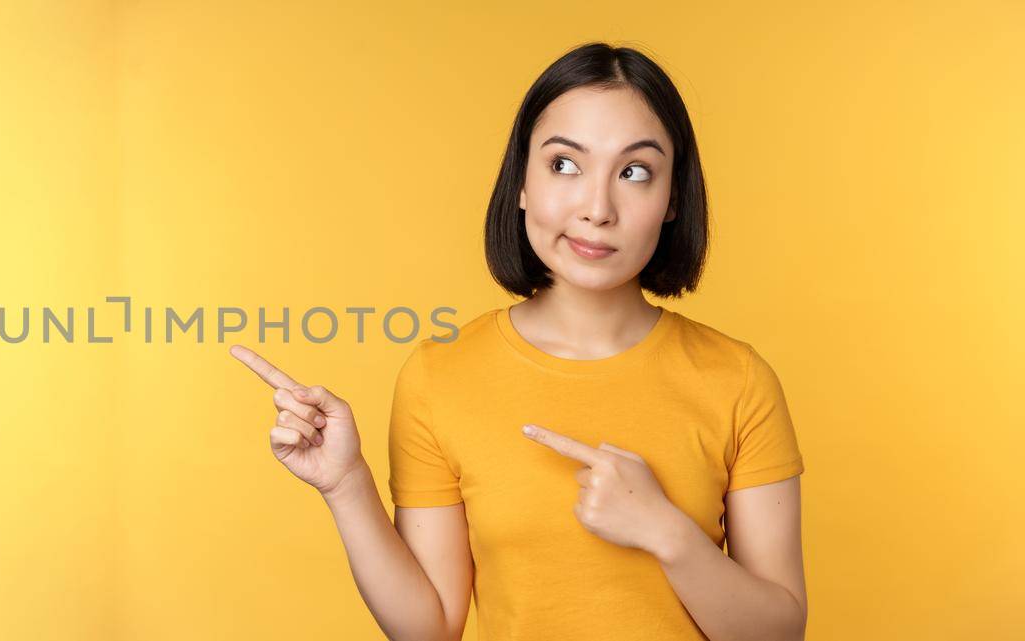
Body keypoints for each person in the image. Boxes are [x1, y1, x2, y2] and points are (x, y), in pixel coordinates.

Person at [228, 42, 807, 641]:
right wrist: (347, 484)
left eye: (635, 172)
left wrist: (666, 531)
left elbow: (779, 633)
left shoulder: (737, 379)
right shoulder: (440, 376)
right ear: (522, 183)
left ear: (672, 200)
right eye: (564, 164)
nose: (597, 208)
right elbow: (431, 629)